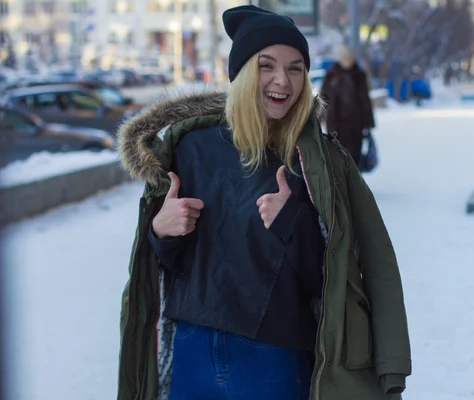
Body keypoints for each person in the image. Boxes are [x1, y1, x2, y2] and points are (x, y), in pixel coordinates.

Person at [116, 5, 411, 400]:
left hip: (273, 356)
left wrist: (294, 221)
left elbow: (332, 279)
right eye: (266, 65)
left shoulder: (311, 160)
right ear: (240, 74)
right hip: (192, 349)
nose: (282, 81)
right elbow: (174, 265)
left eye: (295, 68)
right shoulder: (190, 147)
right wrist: (162, 231)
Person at [320, 45, 375, 167]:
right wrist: (321, 116)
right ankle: (339, 183)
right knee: (336, 154)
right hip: (335, 121)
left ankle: (353, 183)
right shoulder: (332, 75)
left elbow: (365, 100)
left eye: (350, 58)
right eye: (345, 58)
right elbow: (323, 97)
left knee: (353, 155)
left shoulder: (359, 75)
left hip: (355, 122)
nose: (348, 60)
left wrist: (368, 122)